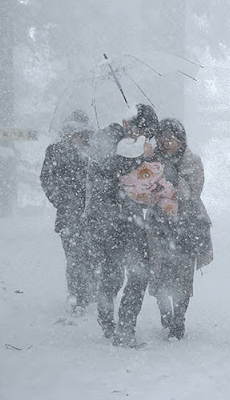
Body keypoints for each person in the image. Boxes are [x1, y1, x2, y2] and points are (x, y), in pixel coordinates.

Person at [85, 103, 159, 348]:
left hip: (133, 218)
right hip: (107, 220)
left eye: (148, 133)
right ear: (128, 123)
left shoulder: (135, 143)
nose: (143, 136)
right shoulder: (107, 138)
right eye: (141, 130)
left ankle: (126, 327)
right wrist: (138, 154)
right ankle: (107, 322)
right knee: (112, 274)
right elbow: (110, 170)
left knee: (139, 273)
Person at [147, 118, 213, 340]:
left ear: (181, 139)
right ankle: (165, 314)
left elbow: (193, 194)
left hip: (186, 226)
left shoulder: (192, 161)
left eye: (172, 138)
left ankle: (179, 320)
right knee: (159, 275)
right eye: (163, 138)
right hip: (158, 227)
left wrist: (176, 180)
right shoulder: (151, 160)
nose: (167, 143)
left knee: (182, 278)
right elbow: (143, 192)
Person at [40, 109, 97, 316]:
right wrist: (62, 200)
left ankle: (92, 293)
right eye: (74, 132)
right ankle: (77, 297)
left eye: (82, 132)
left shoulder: (96, 151)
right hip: (68, 215)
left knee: (93, 256)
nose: (78, 136)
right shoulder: (55, 151)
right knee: (74, 258)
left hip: (94, 215)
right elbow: (47, 179)